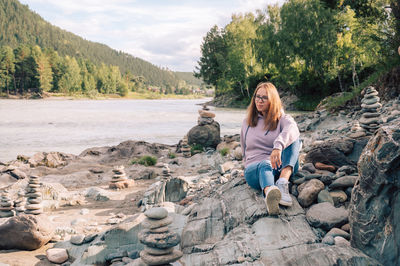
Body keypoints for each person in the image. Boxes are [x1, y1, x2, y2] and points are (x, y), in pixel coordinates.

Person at [240, 82, 301, 215]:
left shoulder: (282, 118)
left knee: (294, 136)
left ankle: (283, 183)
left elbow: (292, 128)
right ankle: (270, 194)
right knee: (265, 164)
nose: (259, 100)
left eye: (264, 97)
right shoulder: (247, 122)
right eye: (257, 96)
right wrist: (245, 166)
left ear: (272, 100)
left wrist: (278, 147)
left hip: (280, 167)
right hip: (256, 169)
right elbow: (243, 148)